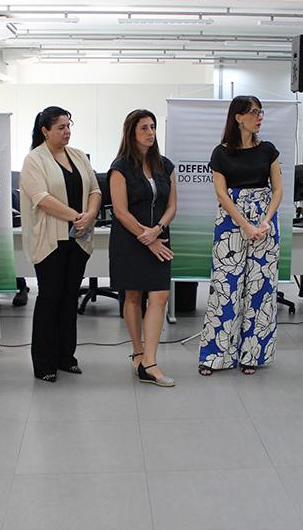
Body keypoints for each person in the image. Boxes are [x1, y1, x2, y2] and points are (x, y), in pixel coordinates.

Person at [198, 95, 283, 376]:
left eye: (261, 111)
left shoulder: (269, 150)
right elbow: (221, 193)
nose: (259, 117)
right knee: (225, 289)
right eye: (254, 112)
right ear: (238, 117)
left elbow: (278, 189)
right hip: (231, 222)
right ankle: (215, 356)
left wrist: (266, 220)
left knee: (261, 290)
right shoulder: (220, 153)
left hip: (265, 223)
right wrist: (245, 224)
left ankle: (252, 355)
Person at [20, 107, 101, 382]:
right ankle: (44, 364)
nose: (67, 132)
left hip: (77, 241)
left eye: (68, 126)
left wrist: (90, 214)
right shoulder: (34, 160)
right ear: (45, 130)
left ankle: (67, 357)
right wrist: (77, 216)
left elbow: (95, 189)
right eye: (61, 127)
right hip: (50, 242)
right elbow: (41, 198)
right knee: (49, 300)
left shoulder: (77, 155)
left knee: (69, 300)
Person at [109, 110, 177, 387]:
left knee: (160, 295)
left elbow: (172, 205)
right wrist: (146, 238)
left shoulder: (165, 165)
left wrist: (157, 230)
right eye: (144, 129)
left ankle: (150, 361)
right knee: (133, 296)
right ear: (131, 134)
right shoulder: (120, 167)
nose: (151, 133)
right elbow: (121, 211)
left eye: (153, 127)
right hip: (130, 240)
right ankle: (138, 353)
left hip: (159, 237)